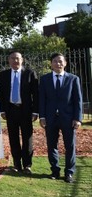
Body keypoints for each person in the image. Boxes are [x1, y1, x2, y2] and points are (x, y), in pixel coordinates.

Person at [39, 53, 83, 183]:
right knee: (52, 145)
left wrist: (78, 118)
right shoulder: (45, 79)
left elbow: (78, 100)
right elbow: (42, 99)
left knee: (70, 146)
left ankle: (69, 172)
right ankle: (55, 171)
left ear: (65, 63)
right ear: (51, 64)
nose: (58, 64)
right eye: (55, 61)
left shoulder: (73, 79)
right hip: (50, 118)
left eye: (60, 61)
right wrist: (42, 116)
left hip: (68, 118)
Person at [0, 50, 39, 174]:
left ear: (22, 60)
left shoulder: (30, 73)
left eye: (17, 58)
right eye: (12, 58)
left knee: (27, 138)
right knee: (13, 138)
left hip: (25, 110)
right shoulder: (3, 74)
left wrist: (36, 111)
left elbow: (36, 94)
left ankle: (27, 165)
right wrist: (3, 110)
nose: (15, 61)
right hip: (11, 110)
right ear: (9, 60)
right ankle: (17, 164)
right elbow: (2, 95)